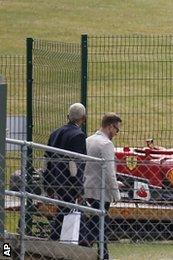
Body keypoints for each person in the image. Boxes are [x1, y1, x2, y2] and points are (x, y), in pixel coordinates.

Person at [44, 103, 87, 241]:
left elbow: (47, 161)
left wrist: (47, 184)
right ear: (84, 118)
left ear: (68, 116)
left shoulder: (55, 133)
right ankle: (58, 241)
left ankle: (57, 240)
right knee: (68, 212)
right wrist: (80, 189)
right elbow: (75, 165)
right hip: (69, 183)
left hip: (55, 180)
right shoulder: (78, 135)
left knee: (63, 212)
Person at [83, 113, 122, 259]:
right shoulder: (106, 144)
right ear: (111, 126)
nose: (116, 133)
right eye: (116, 130)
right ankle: (101, 256)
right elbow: (109, 172)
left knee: (95, 227)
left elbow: (92, 168)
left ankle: (102, 255)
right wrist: (116, 193)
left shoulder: (88, 140)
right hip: (100, 193)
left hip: (88, 189)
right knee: (98, 229)